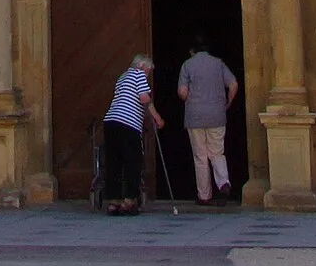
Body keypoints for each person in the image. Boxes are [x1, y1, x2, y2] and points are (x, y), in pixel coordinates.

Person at [176, 39, 239, 202]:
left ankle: (204, 195)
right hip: (217, 115)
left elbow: (182, 92)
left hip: (195, 116)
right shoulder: (218, 64)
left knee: (200, 156)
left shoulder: (187, 65)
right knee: (217, 153)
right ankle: (223, 183)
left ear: (192, 51)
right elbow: (233, 84)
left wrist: (190, 98)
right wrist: (228, 103)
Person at [101, 51, 162, 213]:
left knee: (114, 163)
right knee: (133, 162)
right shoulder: (138, 75)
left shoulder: (122, 77)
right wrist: (157, 118)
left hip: (110, 122)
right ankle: (129, 201)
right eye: (149, 70)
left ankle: (113, 202)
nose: (148, 74)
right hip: (128, 124)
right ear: (142, 66)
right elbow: (144, 99)